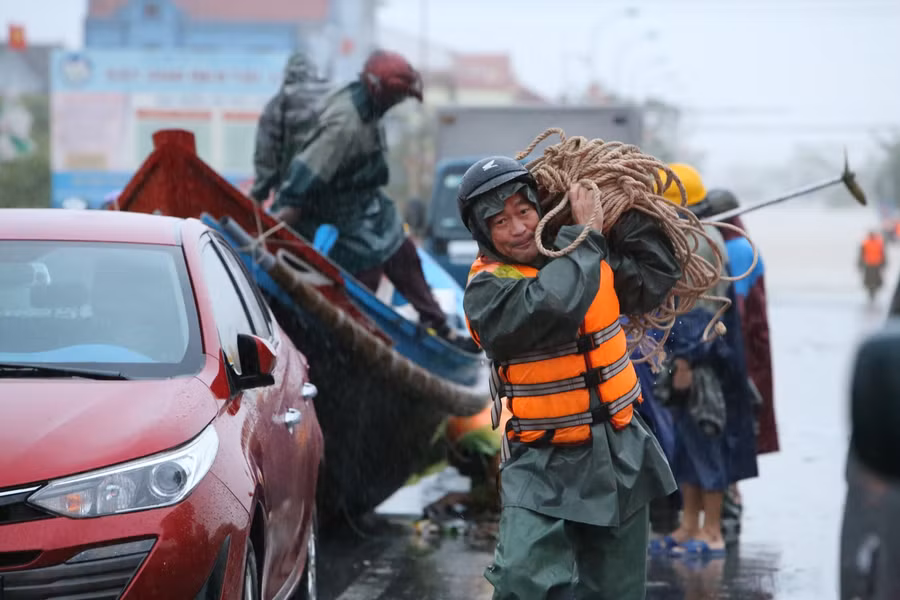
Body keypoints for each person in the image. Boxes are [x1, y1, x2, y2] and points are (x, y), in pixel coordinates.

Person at [459, 155, 681, 599]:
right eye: (501, 222)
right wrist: (587, 235)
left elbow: (656, 275)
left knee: (615, 592)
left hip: (619, 450)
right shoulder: (488, 290)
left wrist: (618, 206)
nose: (519, 228)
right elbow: (554, 305)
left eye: (524, 211)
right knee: (522, 581)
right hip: (542, 458)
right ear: (483, 234)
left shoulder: (583, 249)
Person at [271, 50, 476, 351]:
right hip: (345, 216)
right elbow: (306, 172)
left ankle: (440, 327)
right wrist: (278, 219)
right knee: (359, 283)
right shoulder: (344, 124)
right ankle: (349, 341)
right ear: (381, 92)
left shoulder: (369, 107)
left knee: (405, 256)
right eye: (396, 97)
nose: (397, 103)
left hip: (371, 206)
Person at [652, 164, 758, 557]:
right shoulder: (688, 237)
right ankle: (687, 526)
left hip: (704, 364)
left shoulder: (697, 243)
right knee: (685, 447)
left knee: (707, 443)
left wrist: (685, 364)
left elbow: (702, 314)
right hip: (689, 356)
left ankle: (711, 531)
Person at [250, 51, 331, 206]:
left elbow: (267, 159)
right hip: (335, 202)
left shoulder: (278, 105)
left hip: (292, 201)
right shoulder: (334, 101)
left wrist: (258, 195)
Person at [859, 230, 887, 301]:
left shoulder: (878, 243)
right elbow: (862, 254)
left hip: (876, 264)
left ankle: (874, 291)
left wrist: (884, 262)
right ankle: (870, 292)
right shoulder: (866, 243)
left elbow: (882, 254)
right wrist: (861, 263)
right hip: (869, 264)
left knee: (876, 280)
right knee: (869, 280)